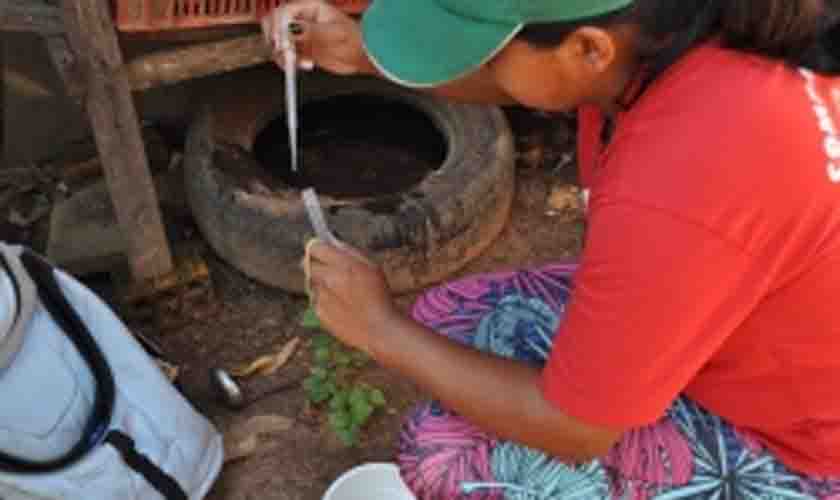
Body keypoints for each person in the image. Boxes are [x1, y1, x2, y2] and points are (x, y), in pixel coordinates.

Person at [262, 1, 840, 498]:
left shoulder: (685, 178)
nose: (476, 68)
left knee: (443, 457)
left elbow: (578, 429)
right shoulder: (661, 34)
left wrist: (378, 330)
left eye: (486, 52)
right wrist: (367, 51)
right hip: (746, 336)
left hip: (801, 447)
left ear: (589, 50)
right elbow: (525, 74)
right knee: (450, 315)